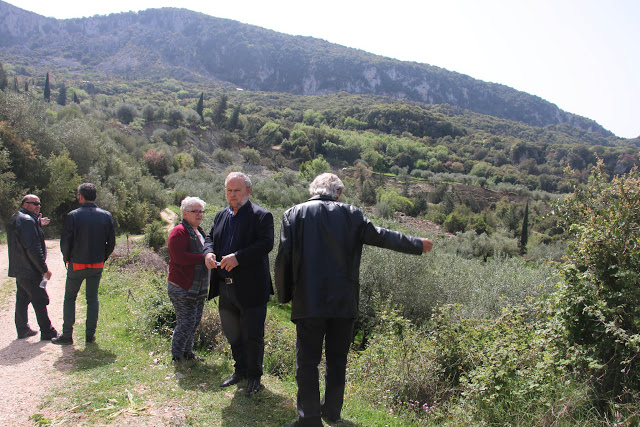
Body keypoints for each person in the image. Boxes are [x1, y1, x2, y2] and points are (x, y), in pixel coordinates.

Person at [275, 173, 434, 426]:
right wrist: (416, 244)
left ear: (314, 190)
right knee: (337, 361)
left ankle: (309, 419)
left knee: (307, 363)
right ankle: (332, 413)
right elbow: (382, 236)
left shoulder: (293, 214)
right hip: (343, 302)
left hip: (308, 302)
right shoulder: (353, 214)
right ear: (337, 192)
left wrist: (284, 295)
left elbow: (283, 257)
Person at [204, 172, 274, 397]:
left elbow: (266, 244)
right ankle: (240, 370)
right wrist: (208, 252)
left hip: (251, 288)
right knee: (232, 332)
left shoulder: (262, 216)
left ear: (248, 191)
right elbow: (209, 238)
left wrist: (238, 257)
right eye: (229, 190)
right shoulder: (220, 216)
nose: (232, 195)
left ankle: (254, 376)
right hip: (225, 287)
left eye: (237, 190)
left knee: (252, 335)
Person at [52, 183, 116, 345]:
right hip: (96, 265)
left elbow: (65, 242)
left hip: (77, 264)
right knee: (92, 299)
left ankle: (67, 335)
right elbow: (111, 243)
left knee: (70, 298)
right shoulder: (106, 215)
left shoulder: (73, 216)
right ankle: (90, 336)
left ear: (81, 196)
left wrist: (67, 259)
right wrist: (102, 258)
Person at [7, 194, 58, 341]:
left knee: (22, 299)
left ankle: (22, 329)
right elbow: (33, 248)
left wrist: (37, 222)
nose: (38, 206)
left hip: (20, 268)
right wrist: (44, 269)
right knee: (40, 299)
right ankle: (48, 331)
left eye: (39, 204)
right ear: (24, 204)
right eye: (34, 203)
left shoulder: (17, 218)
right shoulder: (27, 221)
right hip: (30, 269)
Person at [167, 197, 209, 363]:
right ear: (185, 213)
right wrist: (204, 258)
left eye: (201, 211)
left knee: (194, 321)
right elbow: (179, 257)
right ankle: (177, 356)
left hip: (196, 287)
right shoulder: (179, 232)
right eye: (195, 211)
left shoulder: (199, 231)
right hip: (182, 286)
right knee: (186, 322)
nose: (199, 214)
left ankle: (188, 353)